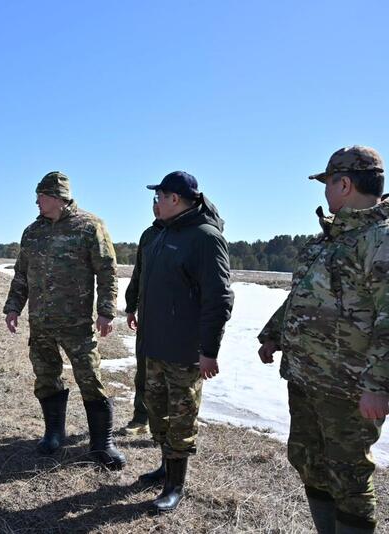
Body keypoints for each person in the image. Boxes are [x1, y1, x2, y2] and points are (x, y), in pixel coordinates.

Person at [257, 146, 389, 534]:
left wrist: (378, 386)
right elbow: (304, 295)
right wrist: (273, 334)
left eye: (327, 183)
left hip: (348, 387)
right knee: (308, 460)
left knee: (348, 477)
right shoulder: (332, 237)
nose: (324, 193)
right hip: (307, 377)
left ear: (344, 183)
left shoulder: (388, 238)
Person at [3, 171, 126, 470]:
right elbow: (21, 274)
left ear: (58, 197)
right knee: (46, 377)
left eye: (41, 196)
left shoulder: (89, 226)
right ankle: (54, 433)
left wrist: (106, 311)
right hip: (41, 322)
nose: (36, 201)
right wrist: (13, 307)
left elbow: (107, 271)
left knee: (90, 379)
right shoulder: (32, 232)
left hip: (77, 324)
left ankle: (102, 444)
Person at [134, 171, 234, 514]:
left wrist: (209, 350)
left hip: (184, 351)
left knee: (180, 419)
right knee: (158, 414)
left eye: (159, 196)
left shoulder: (204, 238)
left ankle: (175, 485)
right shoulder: (162, 234)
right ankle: (165, 468)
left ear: (175, 198)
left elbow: (219, 298)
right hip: (155, 346)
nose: (156, 203)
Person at [121, 205, 164, 436]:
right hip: (148, 318)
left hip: (175, 322)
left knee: (170, 376)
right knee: (144, 370)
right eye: (154, 200)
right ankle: (141, 417)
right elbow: (139, 272)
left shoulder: (190, 235)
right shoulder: (149, 235)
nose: (157, 206)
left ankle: (167, 426)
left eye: (163, 199)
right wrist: (131, 306)